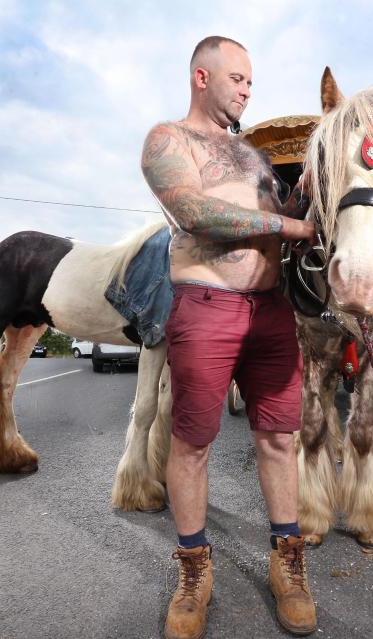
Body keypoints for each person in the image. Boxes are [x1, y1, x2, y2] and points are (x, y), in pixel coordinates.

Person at [140, 36, 318, 638]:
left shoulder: (255, 157)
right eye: (238, 78)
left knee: (278, 439)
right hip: (206, 305)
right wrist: (290, 224)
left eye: (250, 81)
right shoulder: (169, 140)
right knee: (192, 444)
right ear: (201, 76)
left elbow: (297, 209)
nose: (248, 89)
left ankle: (287, 563)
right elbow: (196, 215)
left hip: (271, 311)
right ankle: (194, 574)